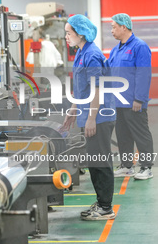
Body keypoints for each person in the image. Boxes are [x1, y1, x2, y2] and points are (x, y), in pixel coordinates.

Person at [62, 14, 116, 220]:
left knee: (100, 161)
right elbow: (82, 88)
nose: (66, 37)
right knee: (94, 161)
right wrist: (74, 109)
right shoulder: (81, 52)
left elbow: (97, 89)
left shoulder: (91, 55)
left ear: (81, 33)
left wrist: (92, 118)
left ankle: (105, 208)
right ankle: (102, 202)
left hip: (99, 116)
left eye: (69, 33)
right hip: (90, 114)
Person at [110, 13, 154, 180]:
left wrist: (139, 99)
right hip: (118, 101)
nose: (112, 31)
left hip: (133, 101)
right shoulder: (115, 50)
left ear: (124, 27)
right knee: (123, 135)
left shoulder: (139, 46)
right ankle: (127, 166)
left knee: (140, 134)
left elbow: (143, 74)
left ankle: (146, 167)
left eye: (114, 27)